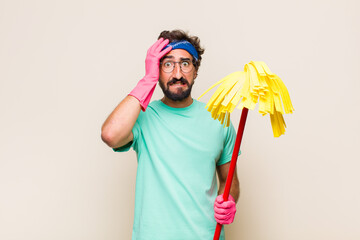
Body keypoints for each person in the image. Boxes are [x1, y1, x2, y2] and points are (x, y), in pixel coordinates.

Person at [101, 29, 240, 240]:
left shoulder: (219, 119)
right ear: (157, 70)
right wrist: (147, 80)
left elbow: (229, 182)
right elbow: (110, 134)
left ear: (195, 70)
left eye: (185, 63)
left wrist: (228, 199)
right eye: (167, 64)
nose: (177, 74)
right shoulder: (142, 116)